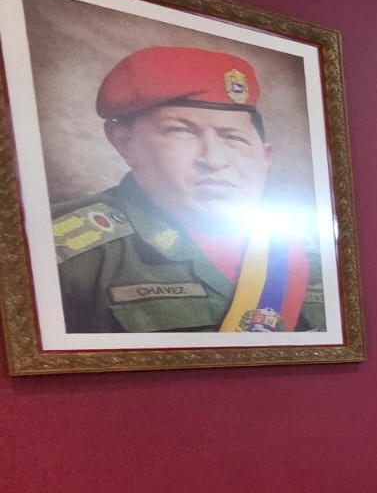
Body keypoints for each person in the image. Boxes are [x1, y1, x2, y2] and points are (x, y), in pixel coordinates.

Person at [52, 45, 325, 333]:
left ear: (264, 157)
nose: (214, 160)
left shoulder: (318, 252)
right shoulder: (62, 254)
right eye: (181, 131)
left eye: (234, 138)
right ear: (124, 143)